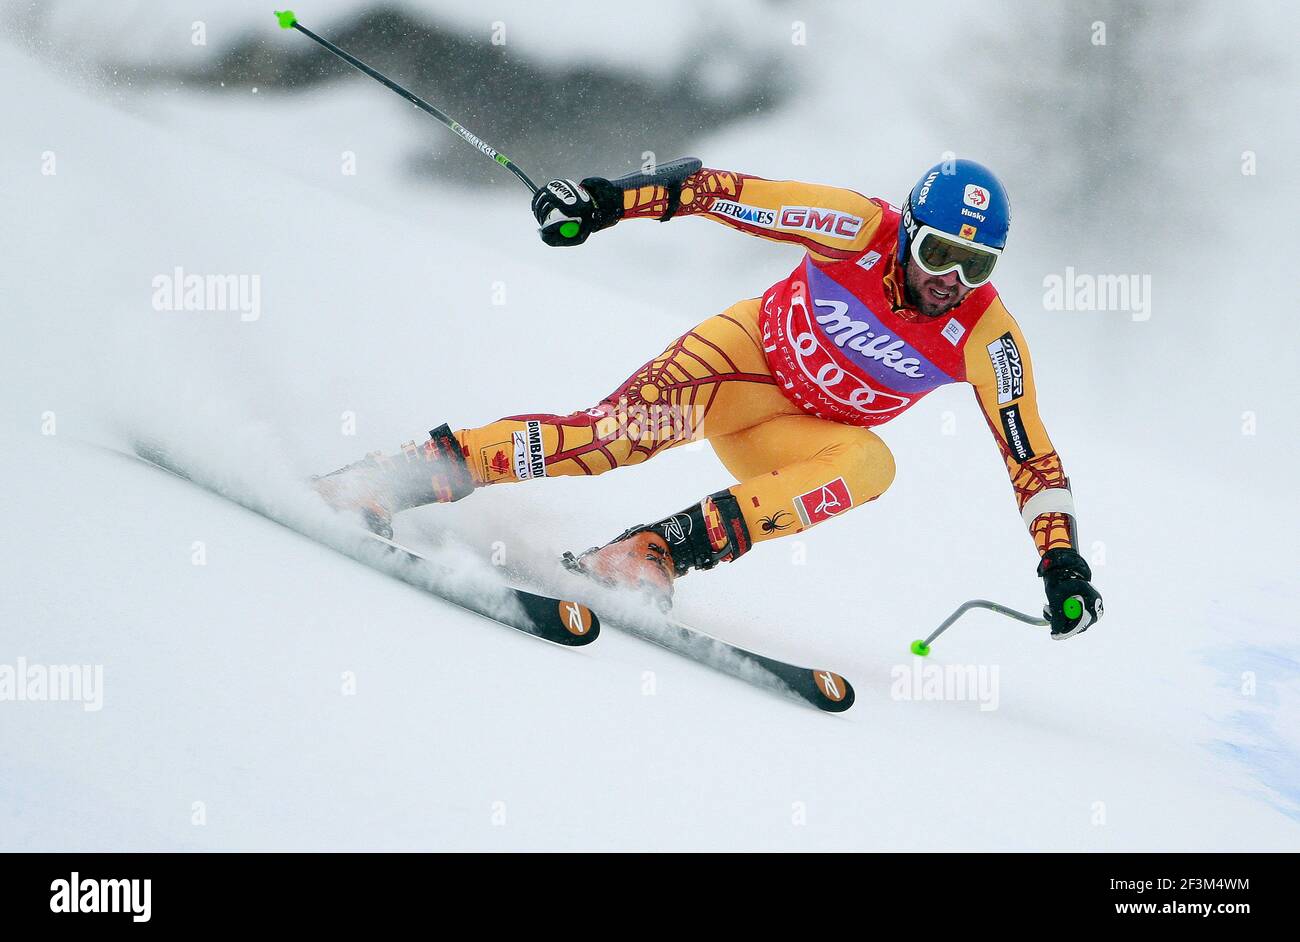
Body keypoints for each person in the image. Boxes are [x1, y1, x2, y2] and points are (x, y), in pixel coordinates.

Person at [314, 157, 1103, 639]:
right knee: (607, 441)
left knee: (872, 464)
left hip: (794, 434)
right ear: (908, 233)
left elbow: (1031, 455)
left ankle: (646, 554)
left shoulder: (988, 339)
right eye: (939, 254)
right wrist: (603, 203)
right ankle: (386, 479)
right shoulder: (858, 227)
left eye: (977, 266)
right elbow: (718, 191)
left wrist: (1060, 560)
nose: (950, 282)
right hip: (737, 365)